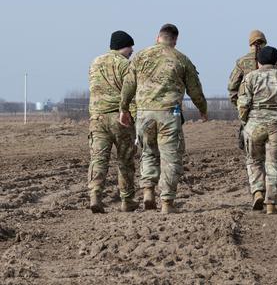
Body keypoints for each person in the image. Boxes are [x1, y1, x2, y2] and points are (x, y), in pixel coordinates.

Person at [120, 23, 207, 215]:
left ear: (157, 37)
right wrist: (203, 109)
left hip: (144, 114)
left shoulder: (140, 56)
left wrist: (124, 108)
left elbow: (128, 85)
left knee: (148, 153)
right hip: (169, 114)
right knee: (170, 158)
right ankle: (167, 202)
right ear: (175, 40)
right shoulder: (181, 59)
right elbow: (195, 90)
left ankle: (148, 192)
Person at [87, 30, 138, 214]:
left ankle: (95, 197)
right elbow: (131, 92)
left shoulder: (95, 62)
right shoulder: (125, 65)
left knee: (98, 159)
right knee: (125, 160)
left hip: (97, 118)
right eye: (130, 47)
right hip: (119, 118)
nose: (132, 50)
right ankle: (127, 200)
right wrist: (134, 117)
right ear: (123, 46)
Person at [237, 46, 277, 215]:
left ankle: (258, 192)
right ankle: (271, 204)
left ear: (258, 62)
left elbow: (243, 104)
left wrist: (245, 122)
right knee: (274, 164)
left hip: (254, 124)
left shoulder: (250, 77)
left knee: (254, 161)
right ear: (276, 62)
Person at [228, 30, 277, 107]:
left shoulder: (242, 62)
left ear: (250, 44)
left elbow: (232, 87)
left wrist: (240, 107)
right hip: (275, 108)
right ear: (264, 42)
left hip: (249, 110)